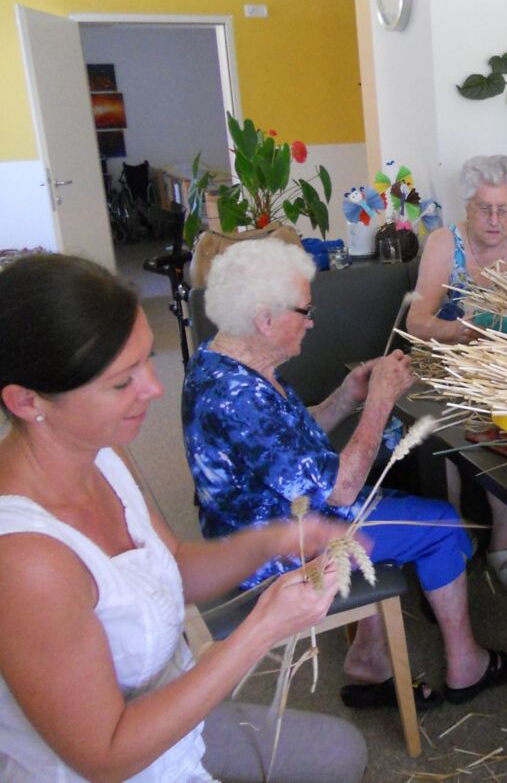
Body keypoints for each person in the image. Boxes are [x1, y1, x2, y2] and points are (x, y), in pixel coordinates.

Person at [0, 253, 367, 782]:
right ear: (25, 401)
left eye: (148, 360)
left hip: (174, 720)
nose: (154, 388)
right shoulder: (26, 559)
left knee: (342, 752)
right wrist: (262, 628)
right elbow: (105, 756)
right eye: (121, 382)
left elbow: (169, 563)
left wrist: (272, 541)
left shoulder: (102, 451)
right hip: (120, 762)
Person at [183, 239, 507, 712]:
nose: (312, 321)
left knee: (393, 506)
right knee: (444, 525)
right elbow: (342, 489)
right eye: (305, 311)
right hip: (275, 548)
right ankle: (467, 666)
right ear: (264, 319)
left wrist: (345, 397)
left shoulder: (220, 360)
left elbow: (289, 446)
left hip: (259, 524)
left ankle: (369, 656)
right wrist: (381, 401)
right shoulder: (241, 397)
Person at [406, 155, 507, 594]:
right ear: (467, 207)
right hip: (452, 363)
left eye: (503, 209)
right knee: (449, 414)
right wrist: (458, 331)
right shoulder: (443, 244)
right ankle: (452, 533)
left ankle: (503, 539)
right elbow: (417, 322)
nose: (494, 220)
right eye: (484, 209)